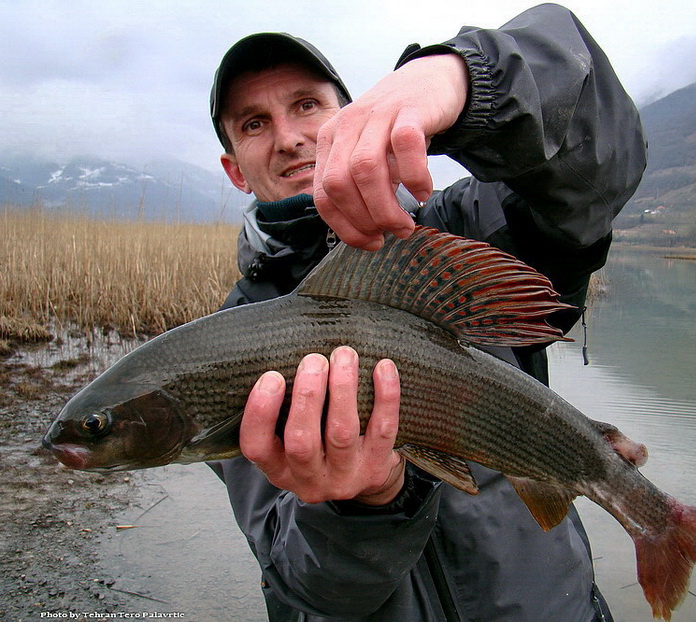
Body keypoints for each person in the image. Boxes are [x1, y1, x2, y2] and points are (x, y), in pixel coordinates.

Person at [207, 4, 647, 621]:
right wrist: (363, 506)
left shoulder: (468, 236)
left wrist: (464, 80)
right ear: (234, 169)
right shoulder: (220, 353)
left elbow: (599, 158)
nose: (288, 137)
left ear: (349, 115)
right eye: (254, 123)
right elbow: (302, 587)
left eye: (307, 104)